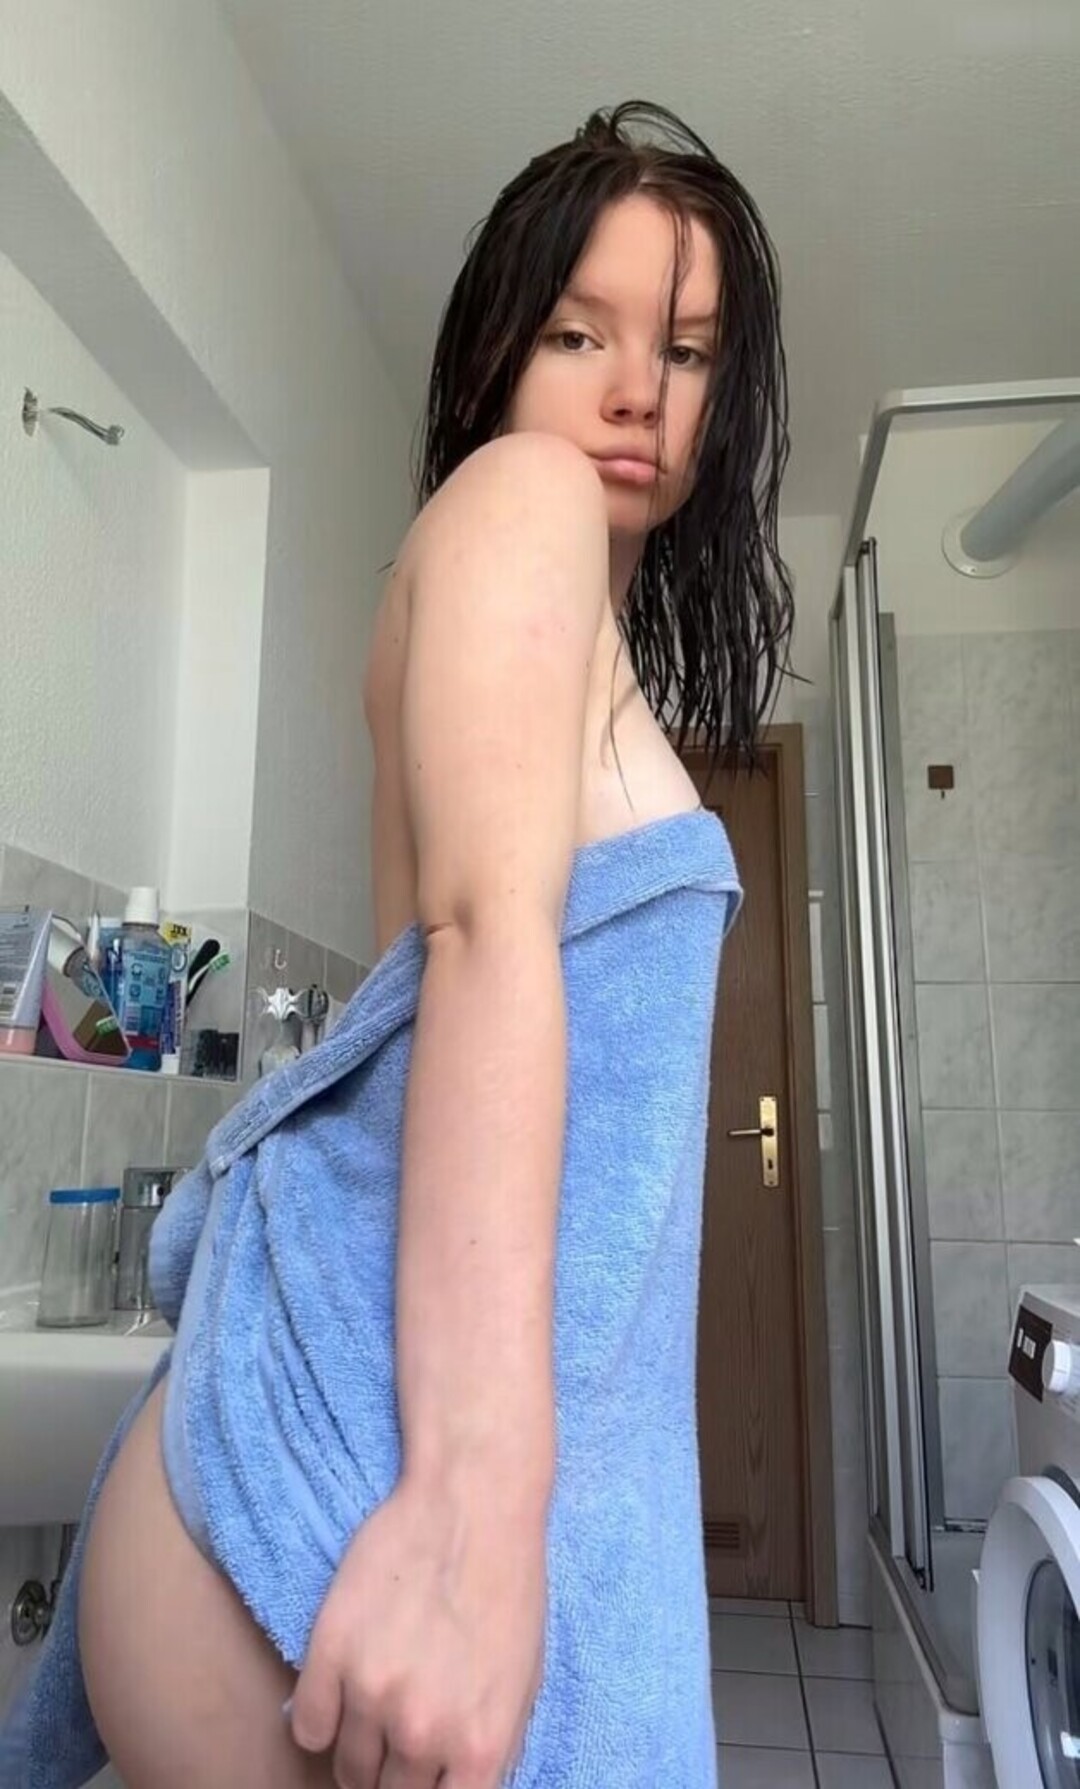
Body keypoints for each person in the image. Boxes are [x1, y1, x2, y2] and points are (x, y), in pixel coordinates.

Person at [72, 99, 793, 1788]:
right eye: (578, 332)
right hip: (359, 1503)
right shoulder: (521, 497)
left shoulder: (539, 612)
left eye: (687, 350)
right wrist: (473, 1513)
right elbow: (476, 939)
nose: (637, 388)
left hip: (335, 1479)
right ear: (492, 355)